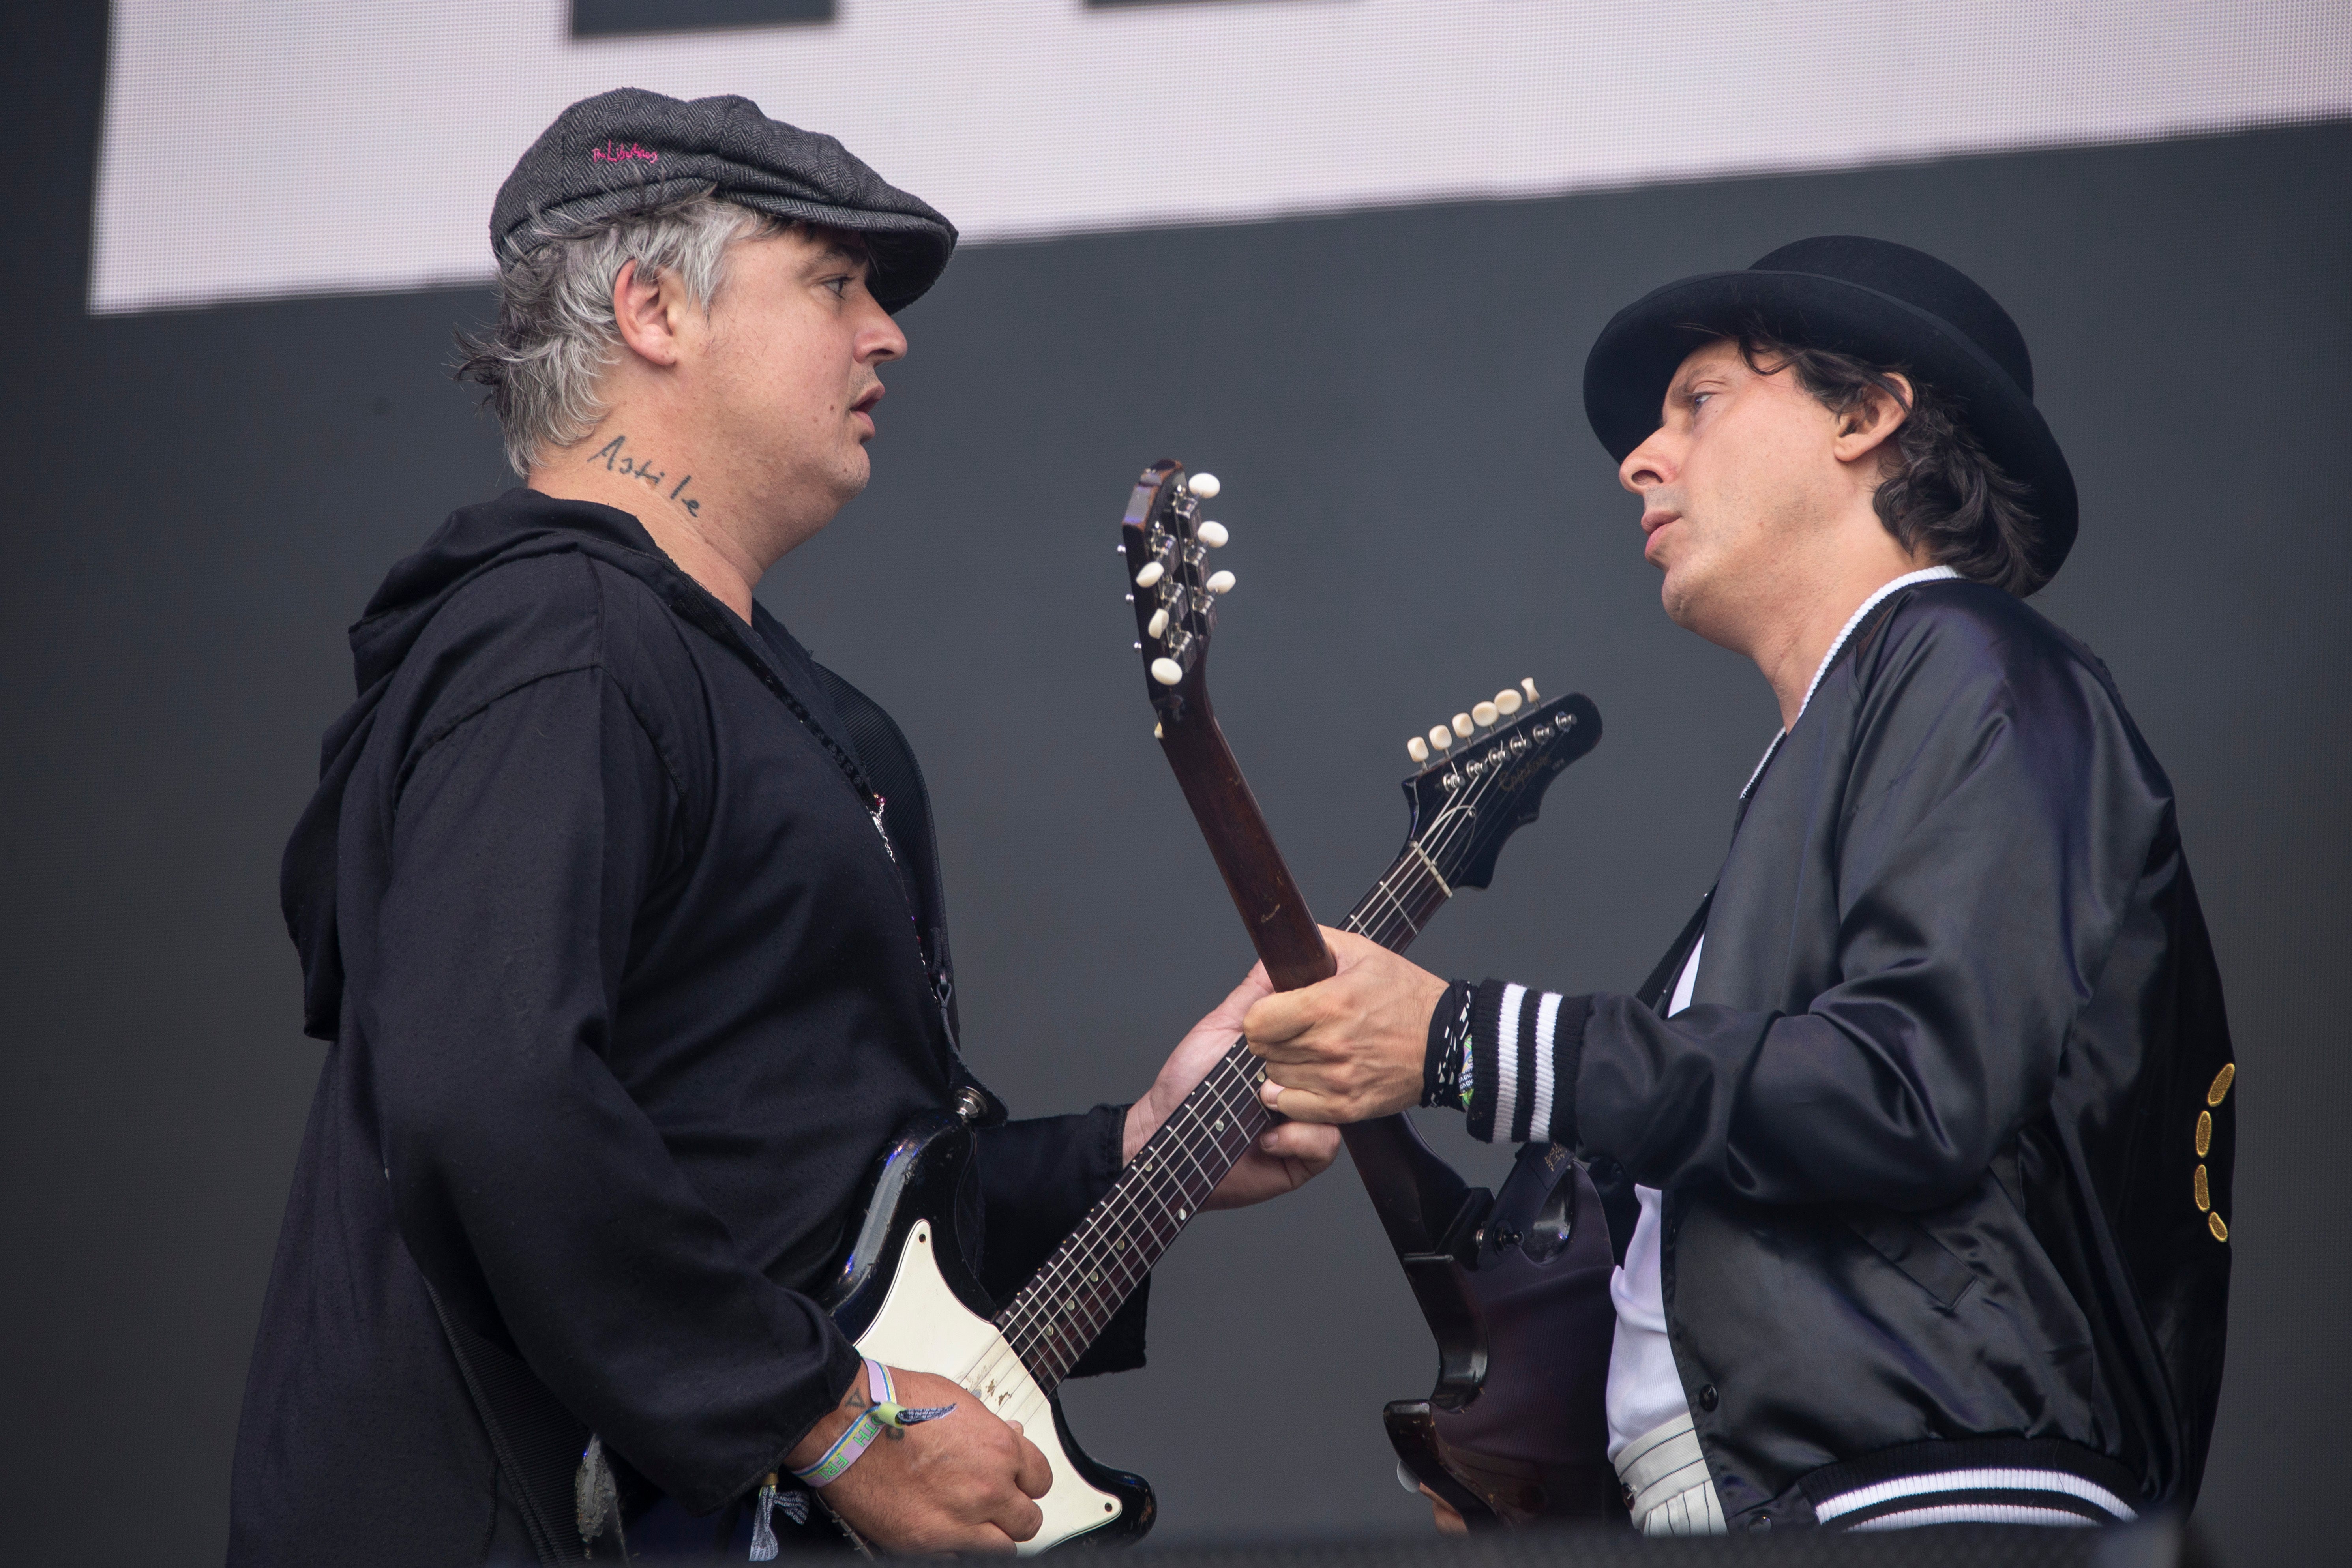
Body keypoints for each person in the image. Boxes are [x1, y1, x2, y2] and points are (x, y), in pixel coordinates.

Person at [229, 89, 1335, 1565]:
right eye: (833, 283)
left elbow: (829, 1219)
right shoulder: (557, 641)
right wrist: (834, 1423)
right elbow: (495, 1097)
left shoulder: (795, 711)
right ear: (651, 311)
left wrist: (1137, 1153)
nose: (886, 334)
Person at [1241, 238, 2234, 1535]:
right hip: (1800, 1508)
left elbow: (1908, 1088)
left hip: (1927, 1509)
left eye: (1698, 402)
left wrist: (1462, 1040)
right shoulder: (1846, 742)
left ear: (1871, 416)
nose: (1641, 460)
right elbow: (1733, 1168)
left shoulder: (1971, 661)